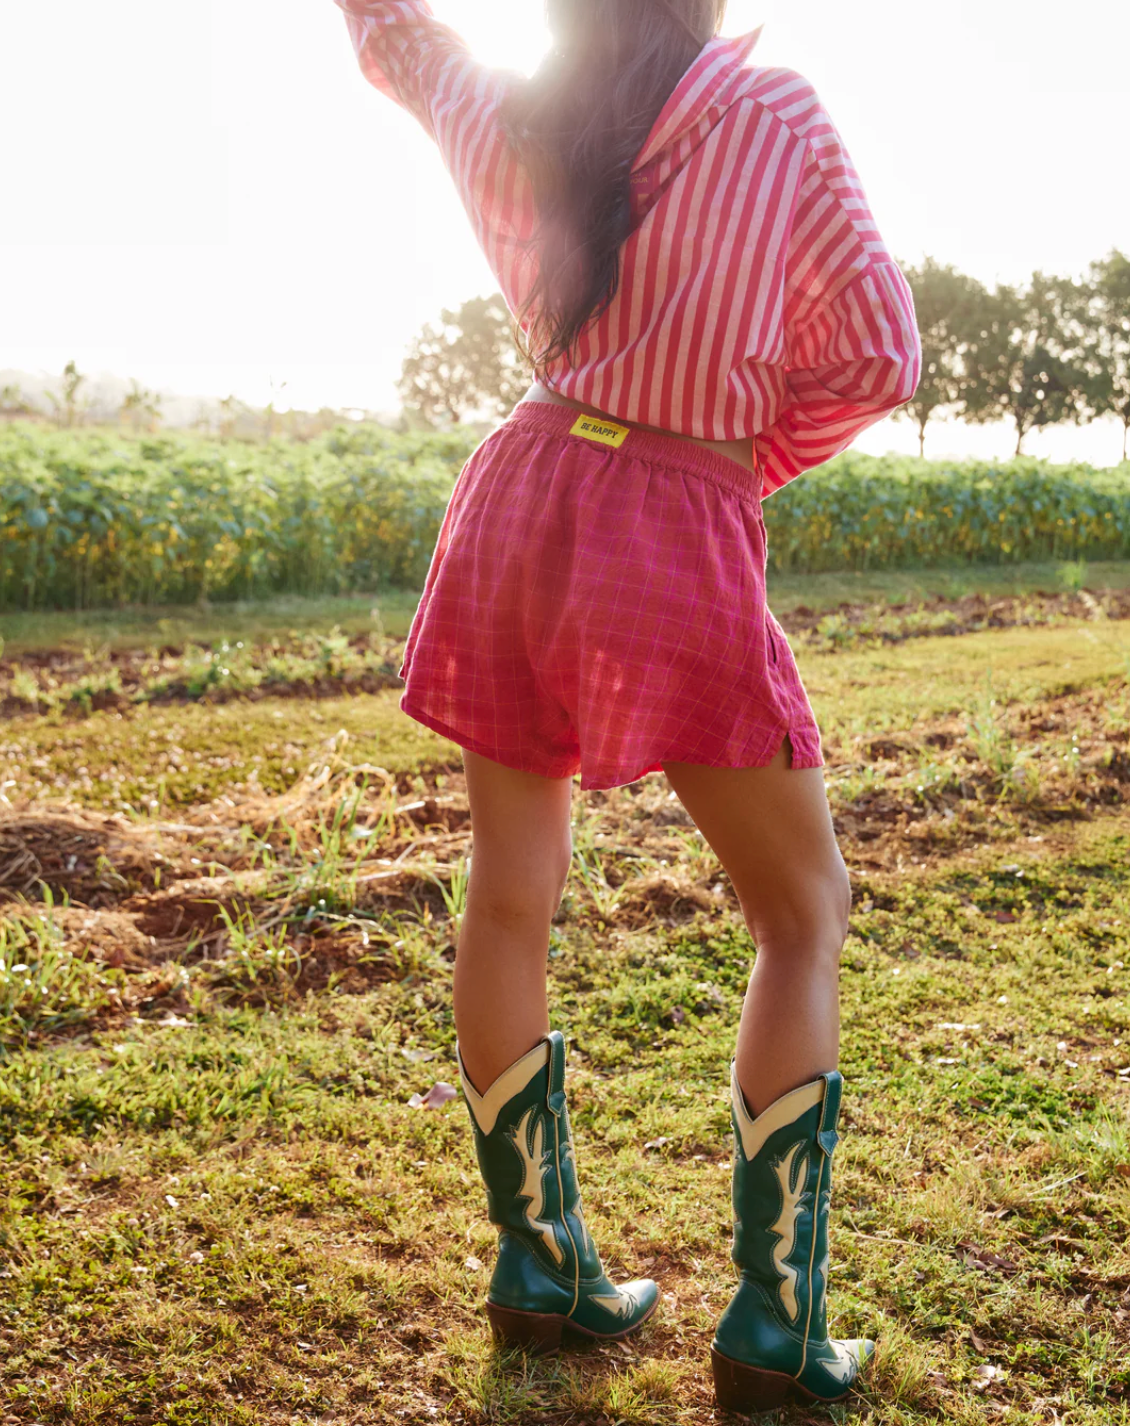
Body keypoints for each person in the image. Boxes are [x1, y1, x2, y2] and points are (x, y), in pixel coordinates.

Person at [331, 0, 921, 1411]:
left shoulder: (516, 107)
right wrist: (738, 453)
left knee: (505, 896)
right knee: (802, 909)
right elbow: (879, 354)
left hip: (521, 486)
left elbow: (396, 37)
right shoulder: (773, 114)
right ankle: (776, 1321)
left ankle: (542, 1269)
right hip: (672, 506)